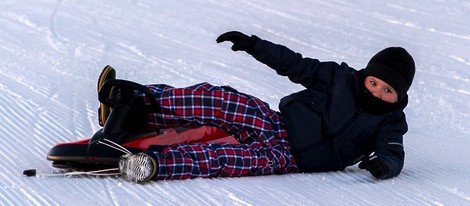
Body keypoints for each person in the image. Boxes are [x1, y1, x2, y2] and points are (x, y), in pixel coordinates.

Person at [101, 31, 415, 182]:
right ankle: (134, 102)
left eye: (387, 90)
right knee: (218, 99)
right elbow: (296, 64)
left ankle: (149, 164)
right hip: (275, 122)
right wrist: (254, 45)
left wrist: (384, 166)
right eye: (374, 82)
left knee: (224, 159)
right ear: (367, 75)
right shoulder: (341, 78)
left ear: (398, 96)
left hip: (288, 157)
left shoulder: (390, 122)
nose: (377, 92)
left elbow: (393, 151)